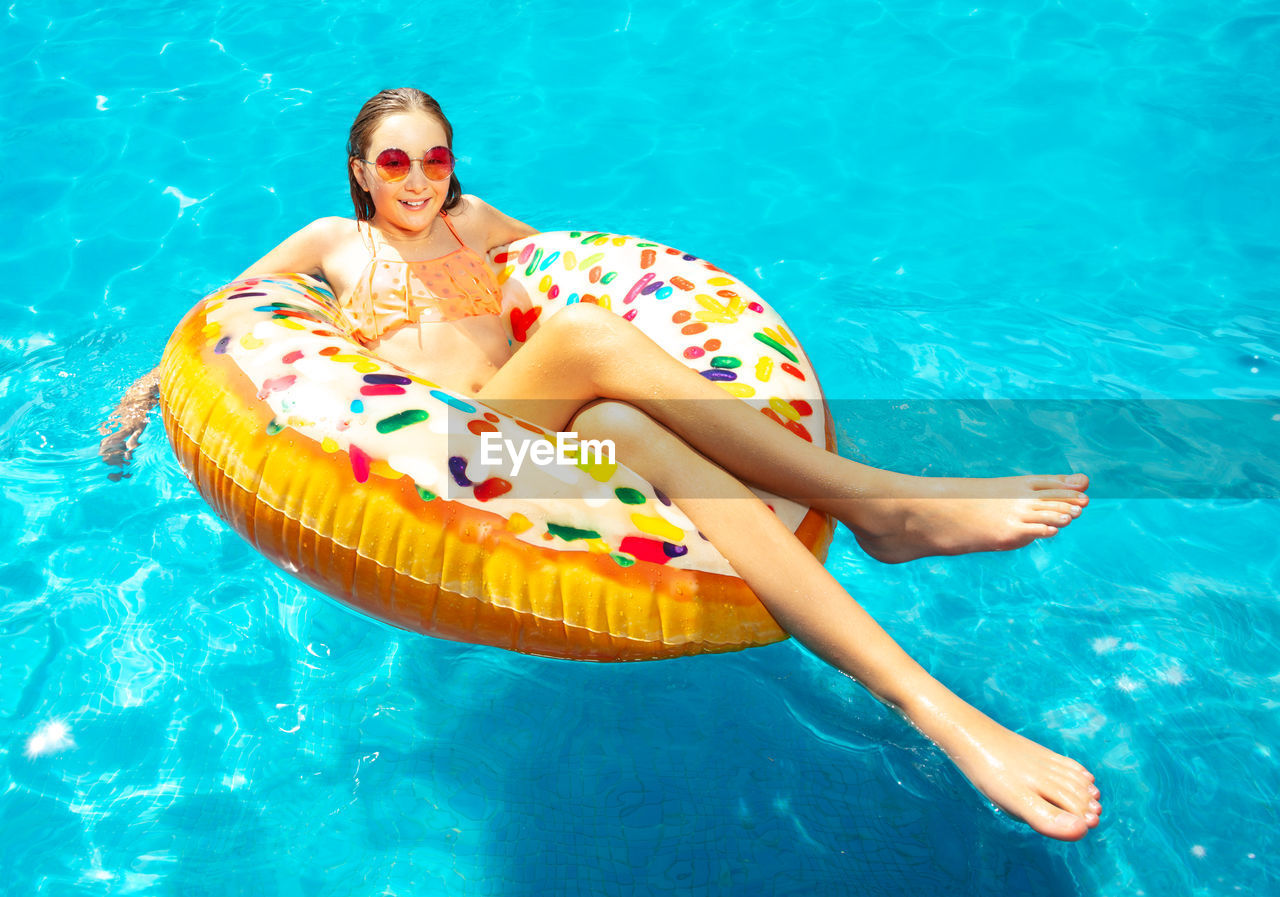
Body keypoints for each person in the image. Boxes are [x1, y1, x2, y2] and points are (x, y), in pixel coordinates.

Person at [100, 88, 1101, 839]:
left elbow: (589, 276)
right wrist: (151, 390)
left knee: (643, 428)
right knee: (585, 343)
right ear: (361, 170)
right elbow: (229, 318)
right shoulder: (334, 242)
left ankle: (936, 709)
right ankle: (882, 506)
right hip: (450, 450)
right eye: (393, 162)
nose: (416, 180)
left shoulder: (477, 225)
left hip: (542, 457)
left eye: (433, 158)